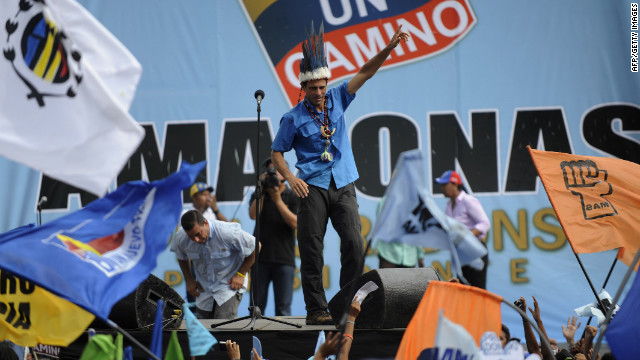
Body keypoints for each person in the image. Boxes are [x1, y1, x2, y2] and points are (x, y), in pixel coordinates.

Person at [270, 21, 410, 325]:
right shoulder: (291, 118)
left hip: (344, 182)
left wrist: (388, 48)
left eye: (322, 86)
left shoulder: (337, 97)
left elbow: (366, 72)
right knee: (311, 249)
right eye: (313, 88)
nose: (319, 92)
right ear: (303, 88)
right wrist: (291, 179)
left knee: (354, 243)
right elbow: (276, 154)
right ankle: (316, 309)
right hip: (311, 187)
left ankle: (347, 302)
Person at [170, 210, 258, 319]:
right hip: (204, 290)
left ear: (205, 223)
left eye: (198, 234)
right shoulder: (181, 237)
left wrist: (241, 273)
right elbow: (181, 256)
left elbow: (256, 246)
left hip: (228, 286)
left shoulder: (226, 232)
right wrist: (189, 280)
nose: (195, 239)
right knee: (204, 329)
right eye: (191, 236)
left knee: (222, 324)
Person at [249, 158, 299, 316]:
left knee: (283, 309)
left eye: (277, 171)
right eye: (270, 171)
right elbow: (252, 215)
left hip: (284, 260)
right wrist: (262, 191)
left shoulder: (293, 196)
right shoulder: (259, 194)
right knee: (256, 308)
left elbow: (295, 223)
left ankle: (282, 341)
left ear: (284, 174)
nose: (274, 175)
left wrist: (278, 199)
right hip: (260, 260)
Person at [435, 170, 490, 288]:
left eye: (445, 185)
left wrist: (465, 237)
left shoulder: (468, 201)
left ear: (455, 185)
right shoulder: (449, 205)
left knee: (477, 290)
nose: (442, 188)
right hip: (461, 254)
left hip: (475, 251)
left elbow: (485, 223)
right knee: (463, 289)